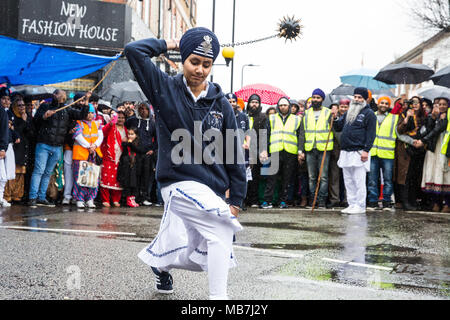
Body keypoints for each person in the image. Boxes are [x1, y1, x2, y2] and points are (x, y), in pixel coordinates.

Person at [125, 27, 246, 300]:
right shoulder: (164, 89)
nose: (200, 70)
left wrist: (236, 200)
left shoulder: (221, 104)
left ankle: (161, 263)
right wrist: (170, 43)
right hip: (177, 184)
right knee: (223, 228)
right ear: (182, 60)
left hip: (210, 192)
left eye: (206, 64)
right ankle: (219, 300)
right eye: (194, 61)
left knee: (203, 255)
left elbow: (233, 154)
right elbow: (134, 51)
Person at [27, 89, 88, 208]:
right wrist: (44, 116)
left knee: (47, 172)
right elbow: (35, 121)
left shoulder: (67, 108)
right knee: (39, 171)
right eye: (61, 94)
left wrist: (86, 101)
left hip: (57, 146)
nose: (63, 96)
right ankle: (32, 197)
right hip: (44, 144)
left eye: (64, 95)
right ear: (54, 95)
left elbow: (81, 115)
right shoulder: (45, 106)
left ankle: (41, 197)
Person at [333, 87, 376, 214]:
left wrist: (366, 150)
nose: (357, 100)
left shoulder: (369, 114)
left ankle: (360, 205)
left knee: (359, 180)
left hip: (359, 151)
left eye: (359, 97)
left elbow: (371, 134)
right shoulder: (349, 112)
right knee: (348, 180)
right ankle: (351, 204)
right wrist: (335, 117)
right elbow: (339, 127)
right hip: (346, 151)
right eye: (355, 97)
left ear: (365, 99)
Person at [260, 97, 301, 209]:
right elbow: (266, 134)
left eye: (285, 105)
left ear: (289, 106)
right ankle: (267, 201)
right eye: (281, 105)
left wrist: (299, 151)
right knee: (271, 177)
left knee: (286, 178)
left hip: (290, 151)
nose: (283, 107)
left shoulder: (296, 119)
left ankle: (283, 201)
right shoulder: (272, 118)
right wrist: (264, 150)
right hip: (275, 150)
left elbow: (300, 136)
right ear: (278, 106)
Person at [298, 88, 333, 208]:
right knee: (311, 177)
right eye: (314, 97)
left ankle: (322, 201)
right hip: (310, 149)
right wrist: (300, 150)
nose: (315, 100)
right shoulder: (306, 113)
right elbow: (302, 133)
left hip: (324, 149)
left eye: (318, 98)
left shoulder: (328, 112)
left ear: (322, 99)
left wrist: (336, 117)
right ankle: (313, 200)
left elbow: (334, 128)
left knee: (323, 176)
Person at [366, 96, 400, 211]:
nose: (384, 105)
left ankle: (386, 201)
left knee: (388, 179)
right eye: (382, 103)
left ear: (389, 105)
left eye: (386, 103)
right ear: (378, 104)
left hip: (387, 153)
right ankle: (373, 201)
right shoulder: (371, 115)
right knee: (372, 179)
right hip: (373, 152)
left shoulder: (394, 118)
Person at [417, 97, 450, 212]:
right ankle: (436, 202)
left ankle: (447, 204)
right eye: (439, 104)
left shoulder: (448, 117)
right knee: (433, 173)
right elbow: (429, 129)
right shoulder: (433, 115)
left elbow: (438, 130)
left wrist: (442, 120)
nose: (441, 106)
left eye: (444, 104)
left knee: (445, 175)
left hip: (444, 150)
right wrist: (433, 118)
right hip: (433, 149)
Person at [394, 96, 427, 211]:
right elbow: (399, 131)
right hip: (406, 150)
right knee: (405, 176)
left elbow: (426, 130)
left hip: (419, 149)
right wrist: (407, 117)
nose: (415, 105)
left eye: (417, 102)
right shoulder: (403, 115)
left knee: (415, 176)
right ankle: (405, 202)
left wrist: (421, 141)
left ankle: (413, 200)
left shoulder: (423, 117)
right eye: (413, 102)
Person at [71, 105, 103, 209]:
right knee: (80, 177)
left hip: (93, 155)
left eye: (92, 113)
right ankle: (79, 199)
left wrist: (95, 145)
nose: (90, 115)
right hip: (81, 155)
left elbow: (100, 136)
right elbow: (78, 136)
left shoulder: (97, 124)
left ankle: (90, 199)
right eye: (88, 112)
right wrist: (89, 146)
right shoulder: (78, 123)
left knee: (93, 177)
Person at [3, 96, 34, 203]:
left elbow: (31, 133)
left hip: (24, 148)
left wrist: (26, 121)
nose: (22, 107)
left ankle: (17, 195)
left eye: (23, 105)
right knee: (12, 172)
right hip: (14, 148)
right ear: (14, 106)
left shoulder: (27, 117)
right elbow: (16, 131)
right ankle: (7, 195)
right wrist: (24, 121)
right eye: (19, 105)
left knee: (21, 173)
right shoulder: (11, 117)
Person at [125, 102, 157, 206]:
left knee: (146, 176)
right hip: (135, 152)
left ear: (149, 110)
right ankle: (136, 197)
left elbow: (157, 139)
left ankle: (145, 197)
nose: (143, 111)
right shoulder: (134, 120)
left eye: (145, 109)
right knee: (136, 175)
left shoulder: (152, 123)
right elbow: (125, 126)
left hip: (147, 154)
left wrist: (153, 149)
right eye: (141, 109)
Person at [100, 111, 128, 207]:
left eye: (122, 118)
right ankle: (106, 199)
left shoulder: (126, 130)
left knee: (118, 179)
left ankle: (116, 199)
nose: (120, 119)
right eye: (119, 117)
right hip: (109, 155)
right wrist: (111, 123)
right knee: (107, 177)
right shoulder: (111, 126)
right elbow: (103, 132)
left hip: (120, 157)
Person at [244, 94, 268, 208]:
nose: (254, 104)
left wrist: (263, 150)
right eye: (252, 102)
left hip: (256, 149)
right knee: (243, 175)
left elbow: (264, 134)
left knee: (254, 176)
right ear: (248, 103)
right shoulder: (244, 116)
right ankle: (244, 198)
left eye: (256, 102)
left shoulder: (263, 117)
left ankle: (253, 199)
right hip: (243, 149)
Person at [117, 127, 147, 207]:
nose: (130, 136)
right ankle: (128, 199)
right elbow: (124, 152)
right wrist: (127, 144)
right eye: (129, 134)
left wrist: (131, 145)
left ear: (136, 135)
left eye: (132, 134)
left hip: (136, 166)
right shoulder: (125, 143)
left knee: (135, 183)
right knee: (128, 183)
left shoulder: (139, 143)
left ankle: (133, 198)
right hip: (127, 166)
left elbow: (140, 150)